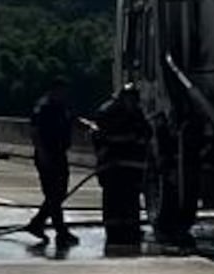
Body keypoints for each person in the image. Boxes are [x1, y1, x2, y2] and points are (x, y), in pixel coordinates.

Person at [91, 79, 153, 250]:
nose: (133, 103)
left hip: (131, 168)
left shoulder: (136, 113)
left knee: (131, 201)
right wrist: (124, 140)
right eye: (131, 99)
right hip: (112, 167)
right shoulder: (107, 112)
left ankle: (131, 230)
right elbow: (99, 137)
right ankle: (114, 231)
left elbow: (147, 133)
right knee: (113, 200)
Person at [27, 82, 83, 250]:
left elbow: (72, 119)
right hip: (47, 154)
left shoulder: (61, 105)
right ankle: (61, 231)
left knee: (59, 193)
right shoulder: (43, 107)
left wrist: (87, 125)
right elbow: (35, 131)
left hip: (60, 153)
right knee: (53, 194)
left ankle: (37, 223)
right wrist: (42, 152)